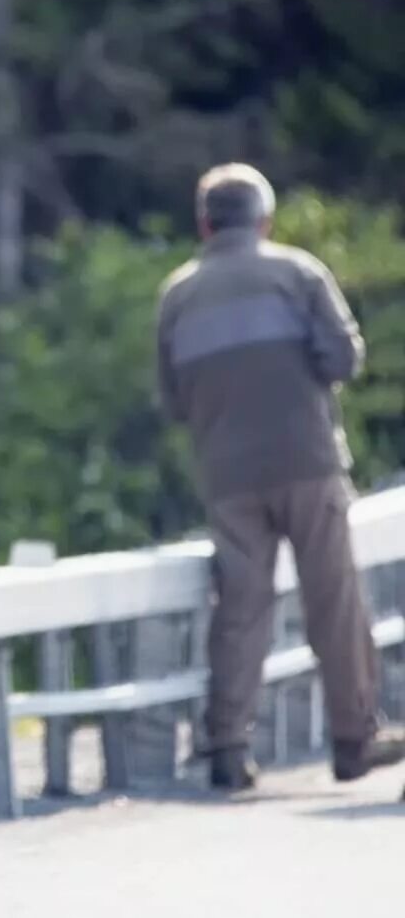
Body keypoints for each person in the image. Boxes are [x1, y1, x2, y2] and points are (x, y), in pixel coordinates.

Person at [155, 162, 405, 791]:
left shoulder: (177, 294)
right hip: (307, 462)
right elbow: (344, 357)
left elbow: (173, 400)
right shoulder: (298, 272)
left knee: (239, 608)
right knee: (334, 599)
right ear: (264, 220)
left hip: (227, 475)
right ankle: (353, 739)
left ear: (205, 224)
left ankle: (228, 749)